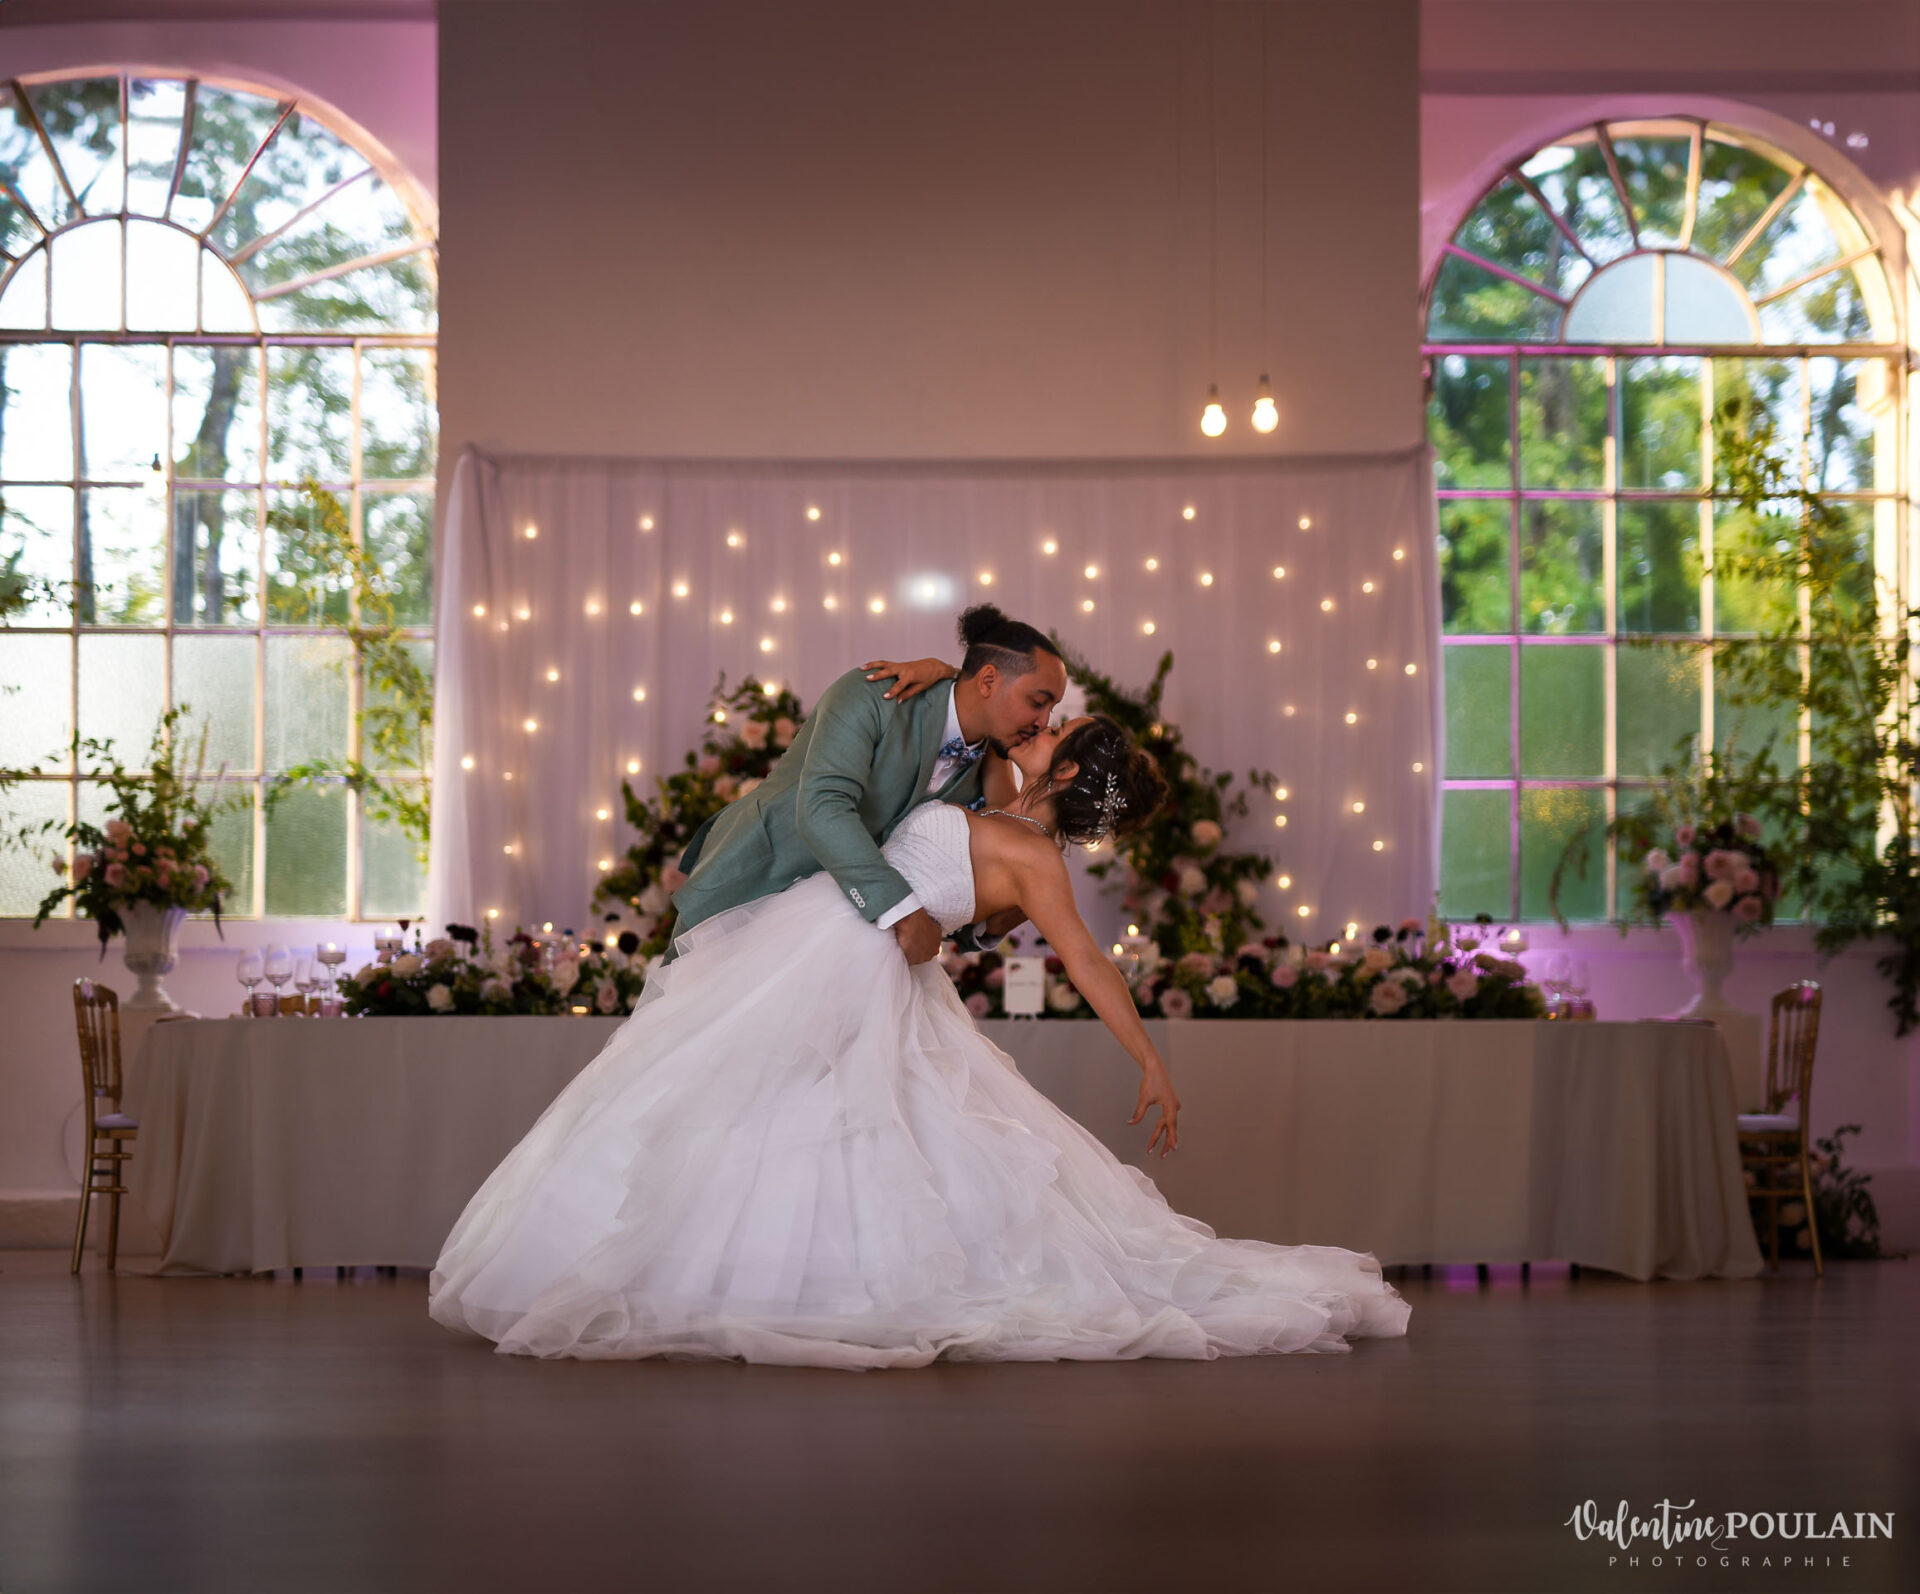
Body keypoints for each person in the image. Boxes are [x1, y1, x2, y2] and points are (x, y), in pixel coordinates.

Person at [429, 685, 1410, 1367]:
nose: (1043, 723)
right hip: (828, 927)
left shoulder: (1036, 860)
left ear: (1071, 771)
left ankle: (774, 1279)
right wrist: (942, 670)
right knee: (739, 1096)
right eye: (1047, 715)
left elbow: (1086, 959)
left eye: (1060, 730)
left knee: (804, 1111)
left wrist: (1150, 1059)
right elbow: (963, 720)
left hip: (854, 956)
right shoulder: (997, 790)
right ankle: (747, 1270)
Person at [667, 605, 1067, 964]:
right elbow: (822, 807)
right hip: (750, 889)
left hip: (836, 950)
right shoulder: (875, 693)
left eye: (1052, 709)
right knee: (684, 1020)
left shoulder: (991, 772)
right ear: (988, 680)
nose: (1044, 722)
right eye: (1038, 702)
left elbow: (953, 885)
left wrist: (1003, 911)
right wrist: (902, 911)